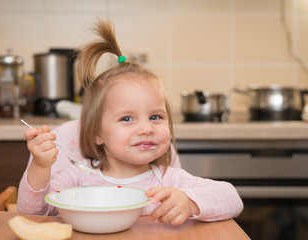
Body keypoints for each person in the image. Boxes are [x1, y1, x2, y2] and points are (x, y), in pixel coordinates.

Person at [17, 19, 243, 225]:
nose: (146, 129)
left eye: (155, 117)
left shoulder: (168, 179)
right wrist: (40, 166)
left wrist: (189, 201)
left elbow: (232, 198)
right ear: (98, 133)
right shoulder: (80, 177)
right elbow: (33, 213)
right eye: (127, 118)